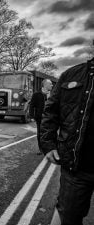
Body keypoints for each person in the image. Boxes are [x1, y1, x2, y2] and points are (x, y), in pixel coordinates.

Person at [40, 57, 94, 225]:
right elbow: (50, 112)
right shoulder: (70, 75)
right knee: (68, 216)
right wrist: (48, 144)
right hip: (76, 167)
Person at [29, 79, 52, 155]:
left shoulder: (53, 94)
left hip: (51, 118)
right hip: (40, 117)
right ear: (45, 85)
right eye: (50, 84)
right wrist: (32, 116)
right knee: (40, 133)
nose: (52, 85)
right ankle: (41, 149)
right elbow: (32, 105)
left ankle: (50, 148)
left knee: (51, 133)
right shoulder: (37, 94)